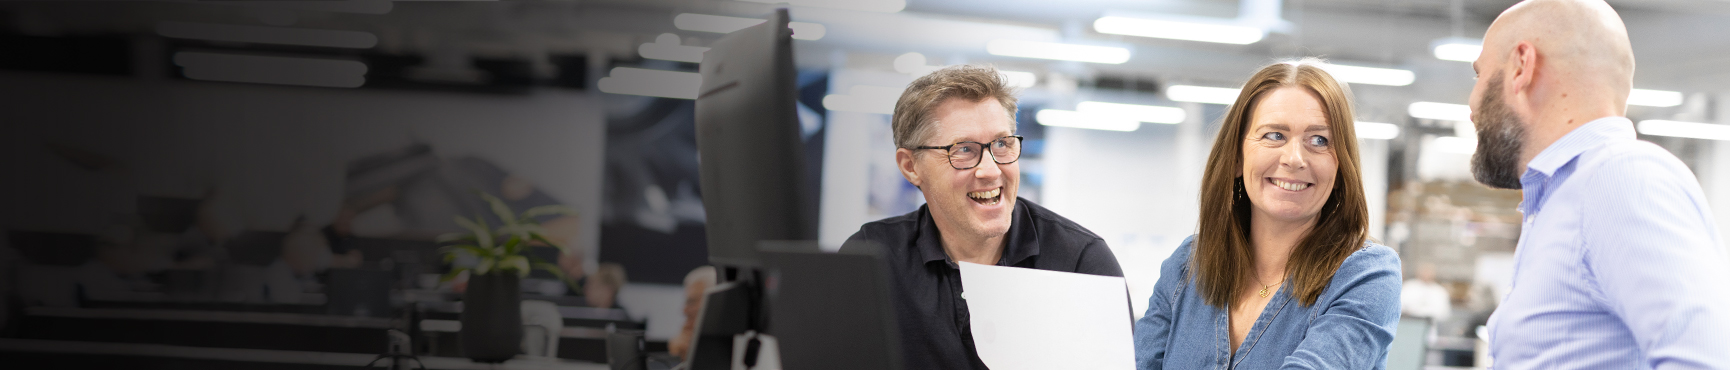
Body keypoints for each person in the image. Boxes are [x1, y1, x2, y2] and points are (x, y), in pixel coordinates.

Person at [1466, 1, 1730, 367]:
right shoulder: (1563, 197)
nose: (1472, 102)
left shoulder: (1619, 178)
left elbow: (1707, 359)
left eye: (1478, 76)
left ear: (1521, 67)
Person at [838, 65, 1124, 370]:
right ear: (911, 166)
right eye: (963, 149)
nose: (990, 170)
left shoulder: (1080, 262)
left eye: (1002, 144)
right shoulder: (872, 257)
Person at [1132, 59, 1402, 369]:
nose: (1294, 158)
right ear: (1236, 157)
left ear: (1340, 168)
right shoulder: (1188, 265)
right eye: (1274, 135)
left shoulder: (1365, 275)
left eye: (1319, 140)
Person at [668, 265, 715, 362]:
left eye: (692, 302)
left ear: (714, 302)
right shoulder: (685, 342)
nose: (684, 310)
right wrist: (679, 358)